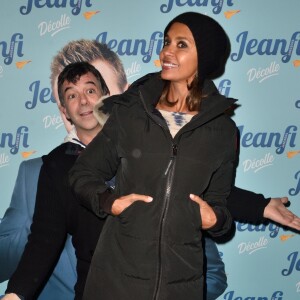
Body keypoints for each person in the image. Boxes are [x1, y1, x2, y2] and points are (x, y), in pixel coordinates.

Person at [1, 39, 299, 300]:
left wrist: (260, 206)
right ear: (63, 111)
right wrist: (16, 294)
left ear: (107, 96)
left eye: (91, 90)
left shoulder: (146, 138)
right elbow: (44, 239)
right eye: (71, 95)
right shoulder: (56, 166)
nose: (83, 101)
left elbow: (197, 187)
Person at [69, 12, 236, 299]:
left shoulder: (222, 131)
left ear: (205, 56)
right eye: (167, 41)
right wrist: (110, 202)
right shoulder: (131, 113)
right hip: (116, 280)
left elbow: (220, 201)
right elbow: (82, 174)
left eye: (181, 45)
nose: (166, 51)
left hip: (182, 284)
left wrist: (216, 220)